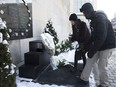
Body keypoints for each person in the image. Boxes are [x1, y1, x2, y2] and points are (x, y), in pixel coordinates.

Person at [79, 2, 116, 87]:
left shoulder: (100, 19)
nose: (84, 15)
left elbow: (101, 37)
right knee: (90, 59)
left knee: (101, 66)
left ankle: (104, 84)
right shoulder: (93, 20)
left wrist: (92, 50)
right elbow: (93, 36)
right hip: (100, 44)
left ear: (88, 11)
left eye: (84, 12)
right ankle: (84, 79)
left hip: (108, 45)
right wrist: (84, 45)